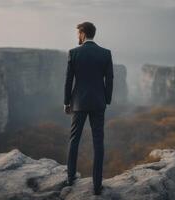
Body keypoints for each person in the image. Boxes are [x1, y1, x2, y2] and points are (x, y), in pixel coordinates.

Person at [63, 21, 114, 195]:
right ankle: (97, 185)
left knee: (74, 140)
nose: (77, 36)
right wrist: (106, 100)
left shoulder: (74, 53)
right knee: (98, 142)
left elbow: (69, 80)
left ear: (83, 33)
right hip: (98, 103)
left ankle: (70, 178)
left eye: (78, 33)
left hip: (78, 103)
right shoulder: (105, 54)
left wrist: (66, 102)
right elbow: (110, 79)